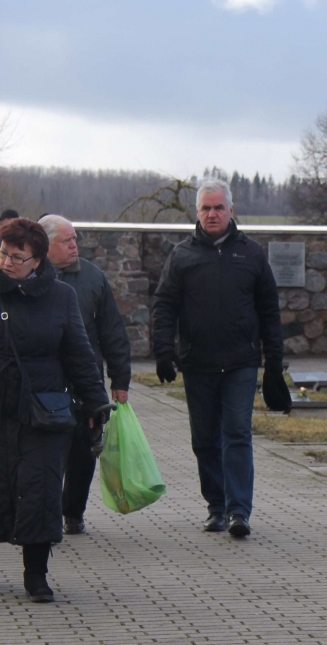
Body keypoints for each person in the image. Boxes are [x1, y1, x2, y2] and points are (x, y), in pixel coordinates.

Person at [152, 177, 290, 538]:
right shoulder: (182, 256)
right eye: (206, 208)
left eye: (219, 208)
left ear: (231, 210)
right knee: (205, 439)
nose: (212, 214)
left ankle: (239, 511)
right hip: (197, 362)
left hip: (241, 362)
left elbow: (269, 310)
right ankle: (216, 505)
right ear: (197, 213)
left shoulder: (252, 254)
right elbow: (164, 305)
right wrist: (163, 350)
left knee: (237, 433)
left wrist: (274, 360)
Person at [0, 218, 108, 602]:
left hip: (44, 409)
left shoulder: (61, 297)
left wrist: (96, 401)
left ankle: (36, 574)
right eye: (3, 253)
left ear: (37, 261)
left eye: (17, 256)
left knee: (41, 489)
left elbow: (79, 353)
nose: (8, 262)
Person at [39, 215, 132, 535]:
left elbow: (112, 332)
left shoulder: (92, 278)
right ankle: (44, 513)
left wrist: (120, 380)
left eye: (75, 239)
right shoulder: (28, 276)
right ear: (45, 245)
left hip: (85, 381)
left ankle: (73, 512)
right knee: (47, 453)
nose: (74, 245)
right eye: (66, 241)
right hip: (44, 383)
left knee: (83, 451)